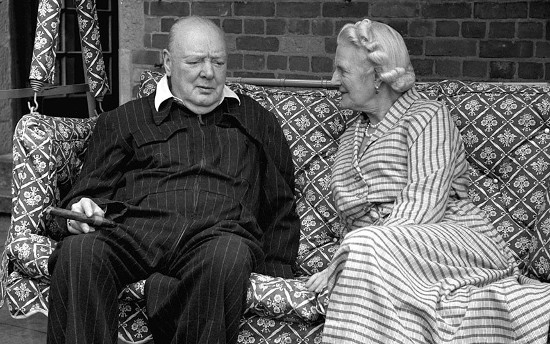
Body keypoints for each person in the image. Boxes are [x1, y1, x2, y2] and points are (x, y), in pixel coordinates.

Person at [47, 16, 300, 344]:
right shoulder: (126, 119)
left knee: (227, 257)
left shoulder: (256, 121)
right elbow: (88, 193)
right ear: (167, 62)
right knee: (78, 253)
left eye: (218, 62)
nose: (208, 73)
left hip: (217, 236)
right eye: (194, 61)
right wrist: (80, 212)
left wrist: (277, 274)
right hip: (134, 232)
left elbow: (280, 204)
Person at [306, 19, 550, 343]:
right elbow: (348, 219)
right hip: (388, 258)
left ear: (378, 76)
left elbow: (424, 203)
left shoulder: (426, 116)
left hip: (448, 241)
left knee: (362, 245)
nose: (333, 79)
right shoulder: (352, 135)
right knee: (368, 255)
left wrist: (348, 255)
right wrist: (355, 250)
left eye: (342, 70)